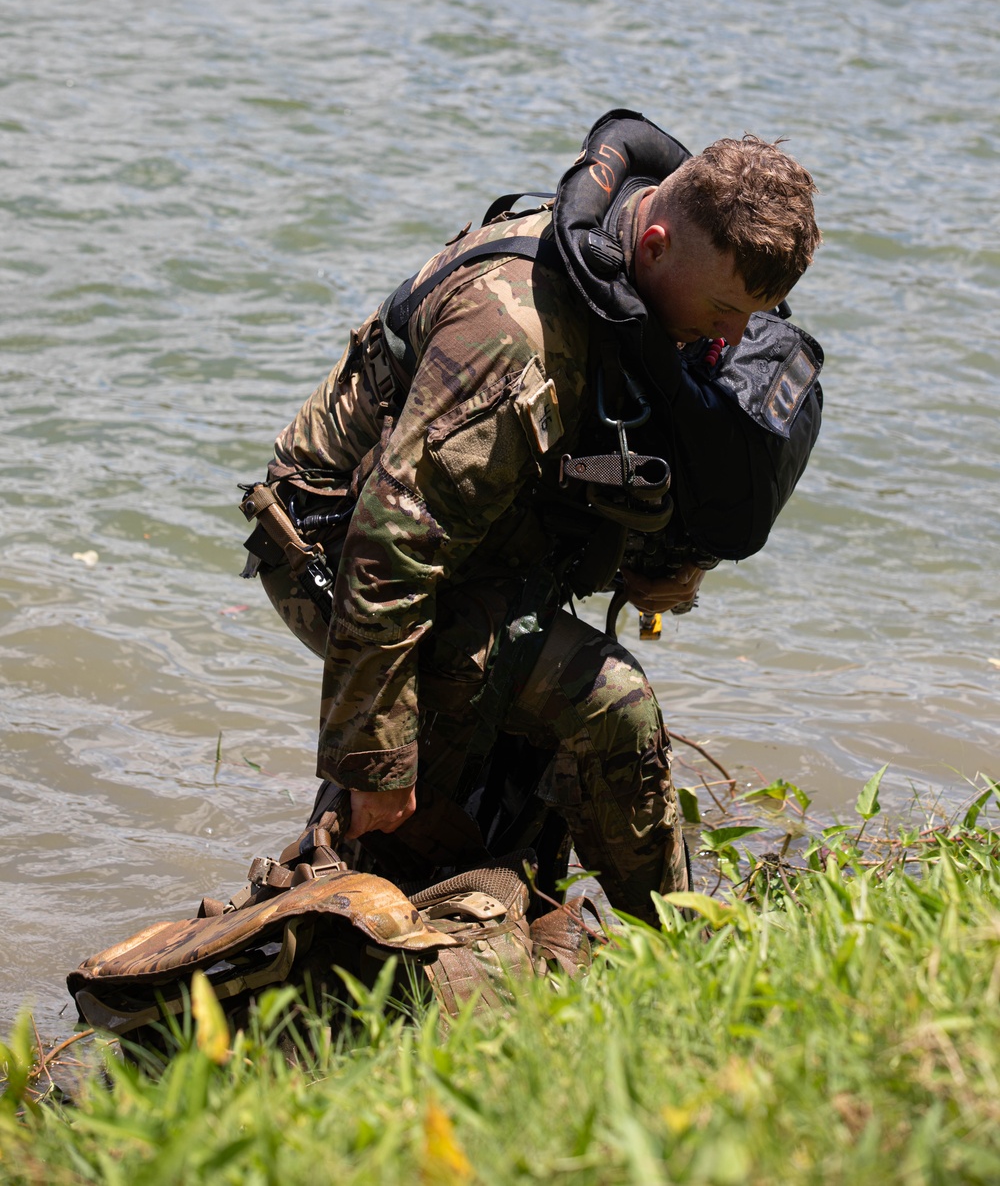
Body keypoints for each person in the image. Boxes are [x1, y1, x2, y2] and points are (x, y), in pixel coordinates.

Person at [241, 110, 822, 922]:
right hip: (334, 553)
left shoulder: (638, 278)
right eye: (725, 308)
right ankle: (682, 946)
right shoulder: (517, 328)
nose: (730, 338)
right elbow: (392, 542)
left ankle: (527, 882)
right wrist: (377, 758)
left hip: (454, 529)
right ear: (653, 244)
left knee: (531, 744)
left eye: (751, 318)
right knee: (613, 705)